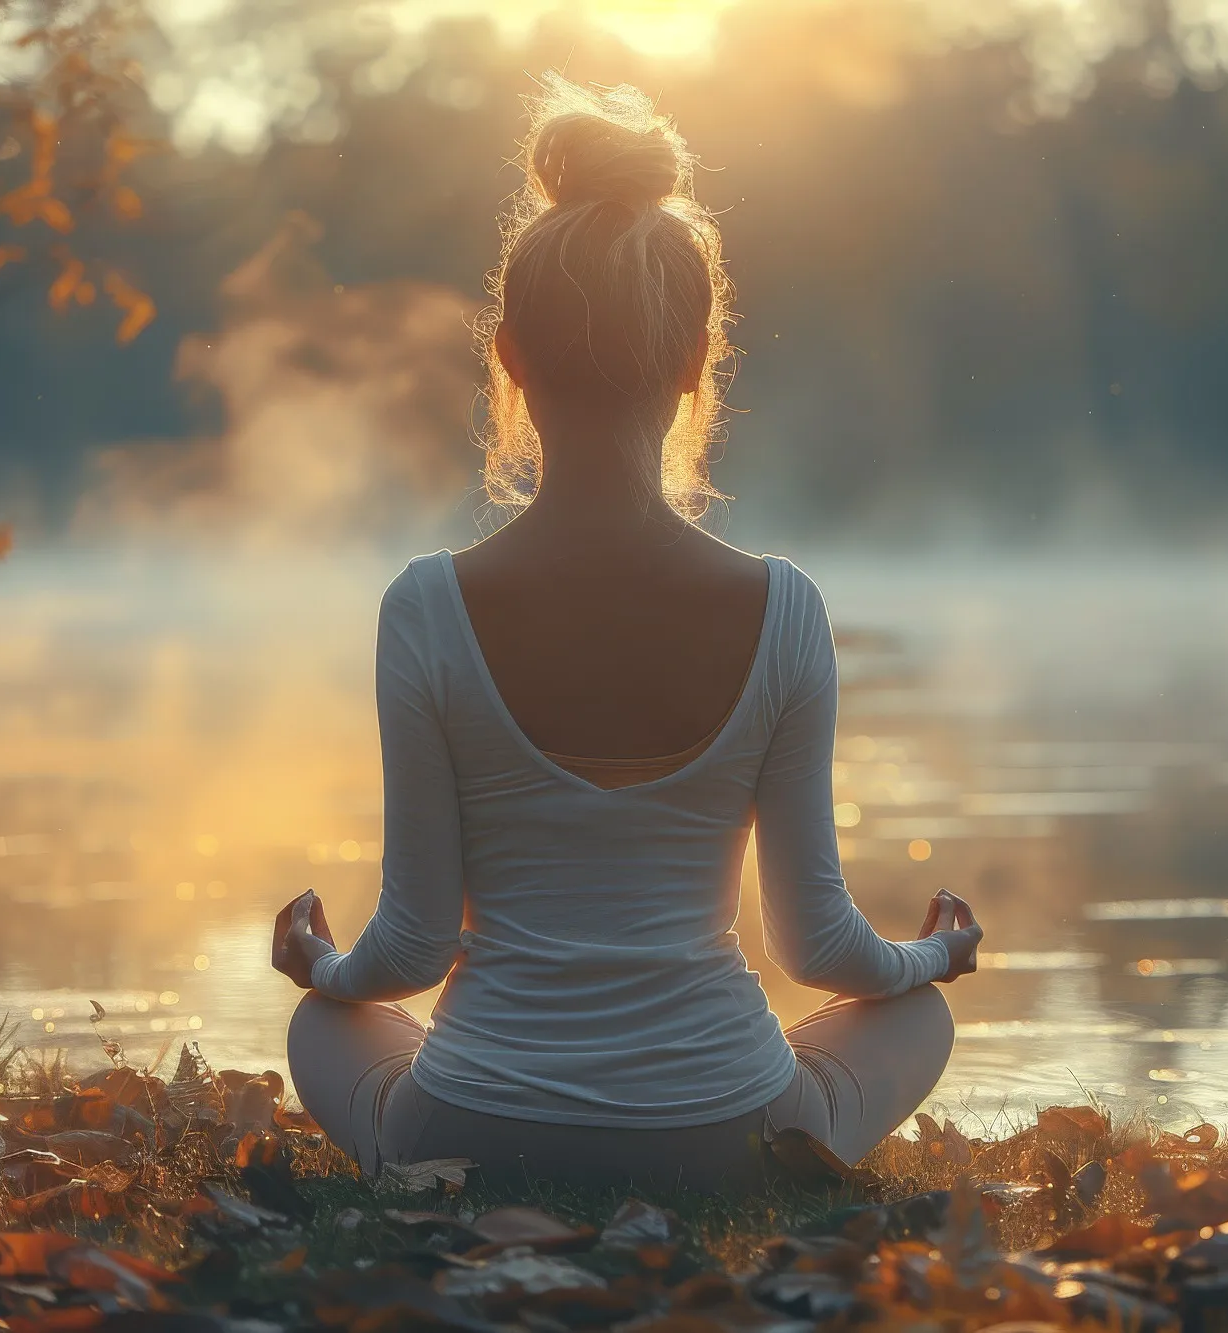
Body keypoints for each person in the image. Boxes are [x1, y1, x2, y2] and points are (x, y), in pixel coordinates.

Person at [272, 75, 983, 1192]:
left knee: (326, 1024)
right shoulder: (782, 607)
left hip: (475, 1135)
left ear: (507, 357)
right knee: (913, 1020)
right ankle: (774, 1148)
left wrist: (326, 964)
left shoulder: (425, 605)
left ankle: (439, 1150)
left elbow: (408, 950)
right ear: (698, 362)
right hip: (724, 1137)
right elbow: (817, 951)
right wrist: (936, 952)